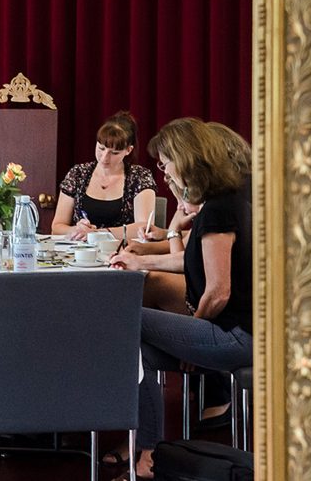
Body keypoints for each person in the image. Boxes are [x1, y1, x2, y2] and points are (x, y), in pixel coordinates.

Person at [109, 118, 252, 479]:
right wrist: (138, 260)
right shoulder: (222, 201)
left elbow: (218, 292)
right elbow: (189, 262)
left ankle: (148, 451)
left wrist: (193, 335)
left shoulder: (220, 209)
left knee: (125, 318)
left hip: (236, 336)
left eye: (166, 162)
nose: (164, 170)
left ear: (186, 158)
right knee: (139, 349)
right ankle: (149, 453)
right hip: (234, 331)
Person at [51, 111, 156, 241]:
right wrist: (77, 230)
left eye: (114, 152)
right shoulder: (78, 173)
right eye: (101, 148)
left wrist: (99, 233)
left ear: (128, 150)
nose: (105, 158)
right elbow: (57, 227)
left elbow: (144, 227)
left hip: (123, 253)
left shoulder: (140, 176)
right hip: (80, 254)